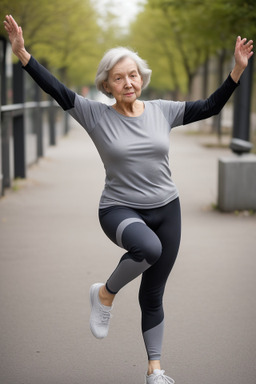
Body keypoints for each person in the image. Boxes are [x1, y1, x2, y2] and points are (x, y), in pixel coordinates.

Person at [4, 14, 253, 384]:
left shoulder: (162, 111)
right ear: (106, 84)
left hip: (168, 209)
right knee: (147, 250)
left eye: (133, 75)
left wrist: (236, 70)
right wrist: (24, 55)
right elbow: (55, 88)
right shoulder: (94, 115)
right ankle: (104, 295)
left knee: (154, 293)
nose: (128, 82)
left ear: (142, 77)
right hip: (119, 209)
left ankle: (155, 370)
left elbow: (210, 107)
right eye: (118, 77)